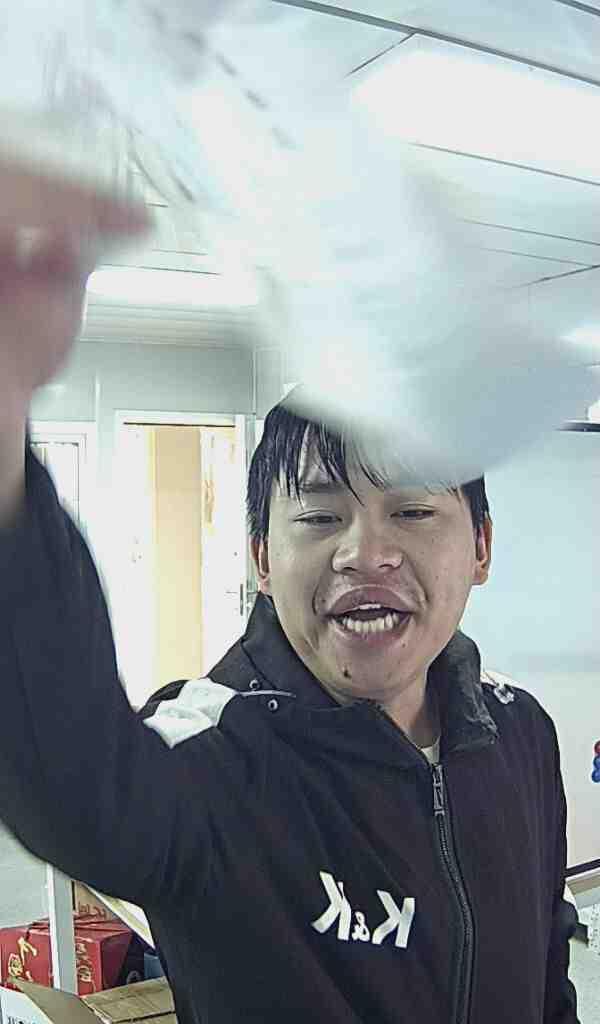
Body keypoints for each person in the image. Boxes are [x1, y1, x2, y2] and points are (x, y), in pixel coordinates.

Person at [0, 160, 579, 1024]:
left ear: (482, 547)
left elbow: (546, 975)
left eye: (413, 510)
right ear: (264, 560)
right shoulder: (213, 758)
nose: (364, 552)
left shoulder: (521, 733)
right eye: (319, 517)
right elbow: (72, 785)